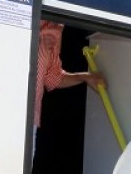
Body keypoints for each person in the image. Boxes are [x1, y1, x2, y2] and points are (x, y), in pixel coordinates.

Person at [33, 20, 104, 154]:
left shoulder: (56, 25)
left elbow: (51, 76)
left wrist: (84, 77)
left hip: (30, 119)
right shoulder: (17, 13)